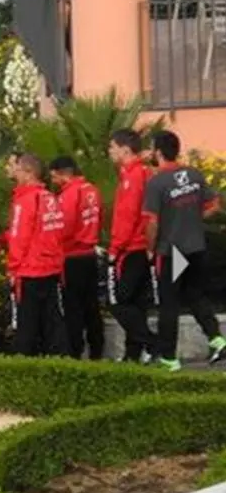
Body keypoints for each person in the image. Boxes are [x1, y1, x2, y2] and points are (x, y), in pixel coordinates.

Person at [142, 130, 226, 371]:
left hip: (172, 251)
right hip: (197, 247)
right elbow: (214, 205)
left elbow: (152, 223)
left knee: (169, 303)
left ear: (158, 152)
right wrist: (192, 219)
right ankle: (217, 339)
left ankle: (169, 358)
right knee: (195, 295)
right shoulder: (194, 174)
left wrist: (150, 249)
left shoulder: (157, 182)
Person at [7, 153, 68, 357]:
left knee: (27, 325)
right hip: (50, 269)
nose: (14, 172)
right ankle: (60, 363)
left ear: (28, 172)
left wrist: (13, 268)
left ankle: (24, 370)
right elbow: (59, 233)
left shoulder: (25, 200)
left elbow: (19, 237)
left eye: (17, 169)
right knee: (52, 322)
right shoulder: (50, 198)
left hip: (30, 271)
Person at [107, 129, 155, 363]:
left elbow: (128, 216)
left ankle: (152, 343)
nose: (110, 152)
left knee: (118, 301)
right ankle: (133, 353)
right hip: (140, 246)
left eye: (112, 147)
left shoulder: (133, 177)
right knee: (135, 303)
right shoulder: (141, 173)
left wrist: (115, 249)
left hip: (132, 247)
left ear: (125, 149)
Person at [49, 155, 105, 359]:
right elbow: (98, 220)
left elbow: (64, 228)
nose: (53, 182)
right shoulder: (93, 190)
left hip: (71, 257)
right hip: (89, 254)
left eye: (54, 177)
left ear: (63, 174)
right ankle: (97, 351)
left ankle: (74, 352)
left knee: (73, 309)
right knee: (92, 307)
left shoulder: (68, 195)